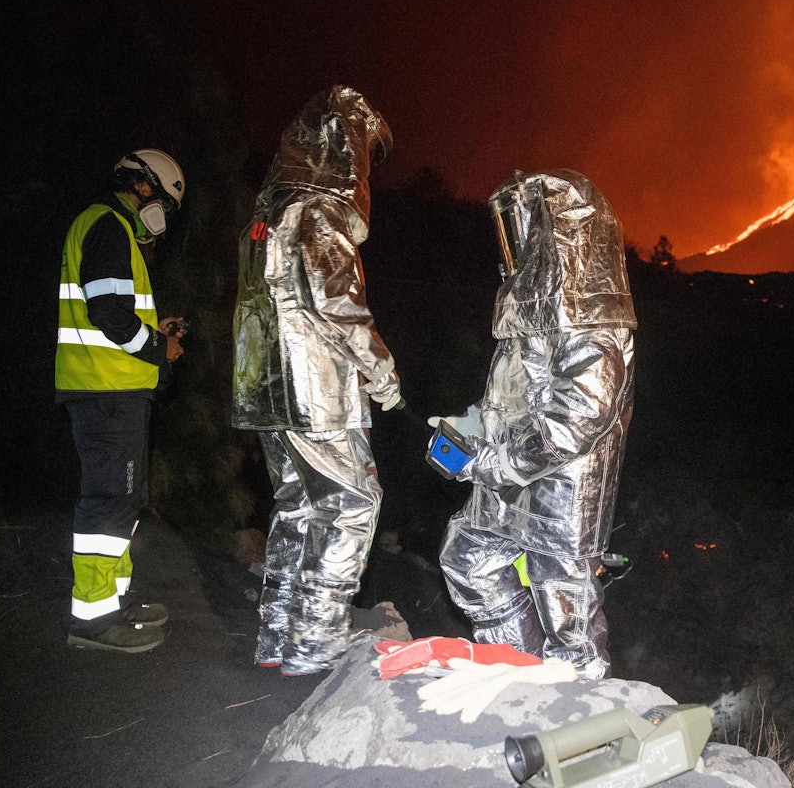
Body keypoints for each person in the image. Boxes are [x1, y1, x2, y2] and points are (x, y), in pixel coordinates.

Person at [433, 169, 636, 680]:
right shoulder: (533, 310)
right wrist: (473, 426)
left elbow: (576, 418)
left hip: (560, 495)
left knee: (566, 612)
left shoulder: (590, 319)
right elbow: (513, 393)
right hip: (507, 486)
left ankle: (578, 717)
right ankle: (518, 669)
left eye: (520, 224)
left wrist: (494, 460)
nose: (511, 243)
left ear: (558, 232)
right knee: (467, 560)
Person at [232, 86, 400, 677]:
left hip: (265, 391)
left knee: (298, 506)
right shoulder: (319, 211)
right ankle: (316, 640)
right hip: (314, 392)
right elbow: (336, 302)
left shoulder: (269, 215)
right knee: (353, 503)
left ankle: (278, 635)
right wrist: (382, 370)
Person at [56, 148, 187, 653]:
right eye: (166, 208)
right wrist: (160, 347)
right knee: (110, 501)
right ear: (145, 187)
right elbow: (109, 313)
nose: (163, 223)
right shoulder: (109, 225)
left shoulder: (109, 229)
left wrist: (156, 332)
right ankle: (90, 619)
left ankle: (114, 602)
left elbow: (110, 315)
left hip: (110, 390)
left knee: (122, 501)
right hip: (105, 392)